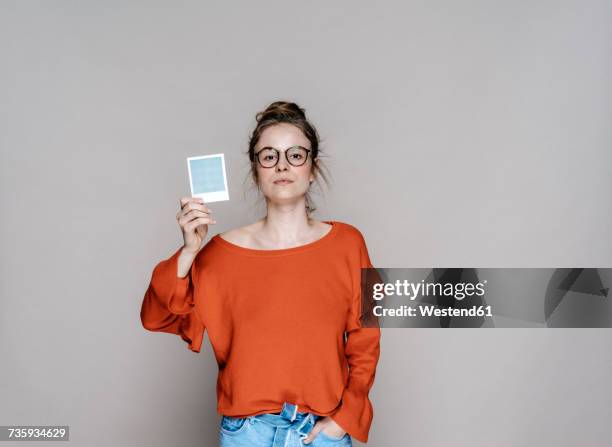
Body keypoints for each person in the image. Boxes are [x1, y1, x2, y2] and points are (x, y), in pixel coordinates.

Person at [140, 101, 381, 446]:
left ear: (312, 167)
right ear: (256, 170)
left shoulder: (348, 243)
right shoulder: (219, 254)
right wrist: (189, 251)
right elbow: (155, 316)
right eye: (268, 156)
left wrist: (345, 418)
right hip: (245, 434)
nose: (282, 165)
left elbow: (366, 336)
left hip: (321, 434)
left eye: (295, 155)